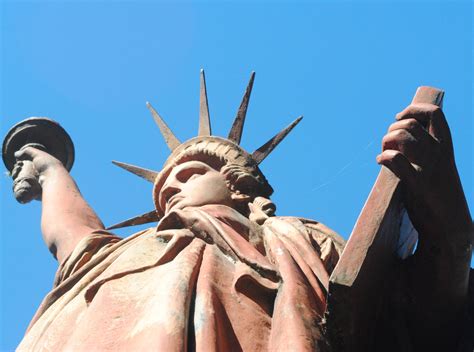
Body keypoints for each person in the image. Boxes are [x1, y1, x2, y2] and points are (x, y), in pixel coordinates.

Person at [8, 73, 472, 351]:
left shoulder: (296, 239)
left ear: (238, 186)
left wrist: (443, 216)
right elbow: (75, 238)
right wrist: (48, 170)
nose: (170, 187)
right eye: (164, 186)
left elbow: (413, 314)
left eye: (189, 174)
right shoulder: (117, 257)